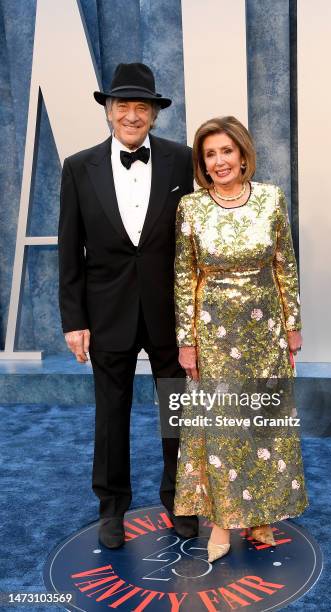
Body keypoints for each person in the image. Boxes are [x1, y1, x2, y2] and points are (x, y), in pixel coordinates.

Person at [58, 62, 197, 549]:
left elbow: (194, 239)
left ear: (155, 115)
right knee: (110, 415)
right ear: (109, 112)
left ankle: (180, 500)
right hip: (106, 312)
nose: (132, 115)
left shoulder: (183, 161)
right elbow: (69, 248)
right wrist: (74, 320)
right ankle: (112, 507)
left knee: (175, 412)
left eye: (143, 107)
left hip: (169, 313)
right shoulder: (78, 167)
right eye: (124, 107)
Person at [173, 116, 309, 562]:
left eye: (226, 151)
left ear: (243, 154)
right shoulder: (191, 208)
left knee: (264, 422)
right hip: (214, 334)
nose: (219, 161)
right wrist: (186, 339)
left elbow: (284, 264)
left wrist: (292, 325)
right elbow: (183, 275)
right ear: (203, 163)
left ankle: (262, 513)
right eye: (210, 154)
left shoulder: (271, 199)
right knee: (224, 427)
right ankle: (221, 522)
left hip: (266, 330)